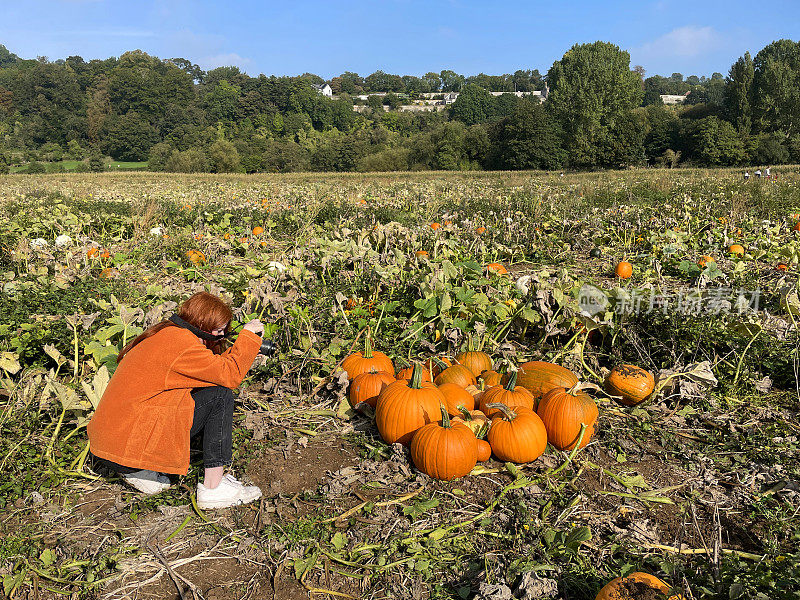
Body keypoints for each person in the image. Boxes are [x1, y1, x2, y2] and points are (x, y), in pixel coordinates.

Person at [87, 292, 265, 509]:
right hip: (126, 450)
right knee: (220, 396)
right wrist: (249, 337)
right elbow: (229, 375)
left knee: (207, 393)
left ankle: (140, 470)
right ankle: (213, 488)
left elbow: (212, 369)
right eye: (218, 331)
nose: (221, 337)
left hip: (111, 444)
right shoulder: (183, 345)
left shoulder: (167, 333)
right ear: (201, 324)